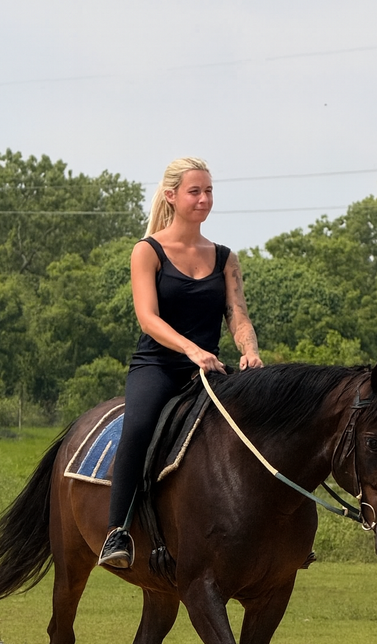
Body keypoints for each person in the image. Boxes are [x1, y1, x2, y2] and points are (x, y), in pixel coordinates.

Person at [98, 157, 263, 568]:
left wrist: (249, 349)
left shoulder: (225, 257)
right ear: (171, 196)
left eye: (209, 191)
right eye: (195, 191)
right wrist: (190, 349)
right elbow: (148, 318)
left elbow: (237, 314)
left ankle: (268, 530)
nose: (204, 199)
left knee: (259, 423)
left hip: (208, 372)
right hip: (157, 366)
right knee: (137, 428)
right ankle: (117, 532)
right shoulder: (148, 250)